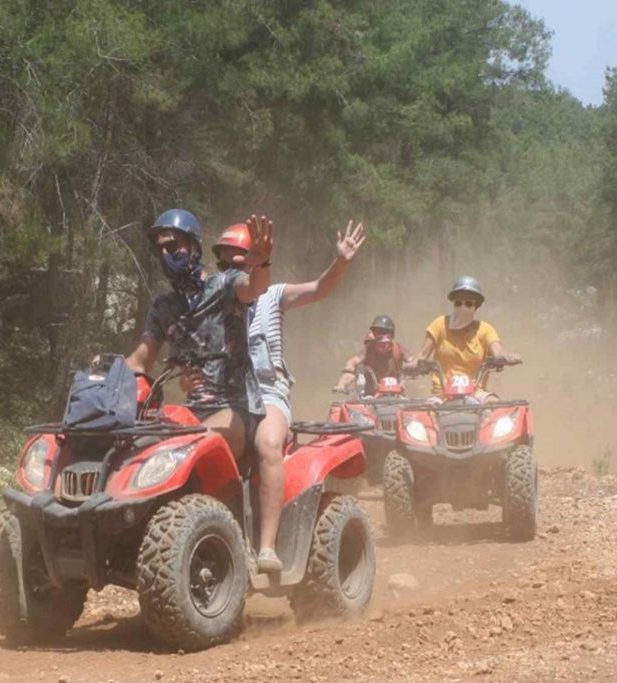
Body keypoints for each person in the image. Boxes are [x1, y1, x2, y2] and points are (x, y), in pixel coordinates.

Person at [208, 219, 366, 573]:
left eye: (240, 262)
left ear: (255, 261)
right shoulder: (213, 302)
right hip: (225, 397)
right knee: (195, 441)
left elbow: (321, 289)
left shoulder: (273, 295)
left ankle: (266, 547)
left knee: (267, 444)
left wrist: (341, 261)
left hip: (267, 392)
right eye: (224, 263)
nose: (231, 271)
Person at [125, 209, 273, 462]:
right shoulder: (164, 307)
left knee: (186, 446)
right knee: (139, 445)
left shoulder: (224, 285)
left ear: (193, 245)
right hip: (191, 412)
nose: (165, 256)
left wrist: (260, 263)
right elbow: (140, 360)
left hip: (236, 409)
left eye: (172, 247)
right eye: (159, 250)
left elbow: (253, 288)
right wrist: (102, 377)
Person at [408, 276, 521, 403]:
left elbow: (498, 352)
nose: (462, 307)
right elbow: (422, 354)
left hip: (476, 393)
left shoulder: (485, 330)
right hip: (441, 395)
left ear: (476, 306)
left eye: (468, 303)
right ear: (453, 304)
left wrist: (508, 357)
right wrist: (413, 364)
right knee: (422, 418)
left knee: (497, 409)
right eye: (458, 303)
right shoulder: (440, 325)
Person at [334, 315, 413, 395]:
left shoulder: (399, 349)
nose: (382, 344)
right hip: (370, 397)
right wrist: (341, 384)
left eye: (386, 337)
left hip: (395, 395)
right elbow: (353, 363)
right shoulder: (369, 349)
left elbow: (413, 361)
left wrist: (414, 367)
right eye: (378, 334)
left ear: (392, 336)